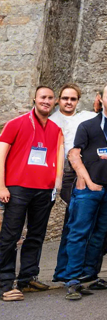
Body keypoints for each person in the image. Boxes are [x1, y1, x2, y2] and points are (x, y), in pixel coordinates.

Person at [57, 84, 107, 299]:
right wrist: (87, 181)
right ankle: (71, 279)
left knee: (100, 234)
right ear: (101, 99)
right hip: (89, 189)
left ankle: (90, 275)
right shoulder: (86, 125)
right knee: (79, 232)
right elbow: (74, 155)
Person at [0, 86, 64, 301]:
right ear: (35, 99)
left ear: (54, 102)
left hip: (44, 190)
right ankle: (4, 284)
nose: (46, 101)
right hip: (17, 188)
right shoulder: (15, 124)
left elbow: (57, 160)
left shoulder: (55, 129)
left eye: (50, 98)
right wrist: (1, 186)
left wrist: (56, 186)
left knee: (36, 236)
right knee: (10, 236)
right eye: (42, 97)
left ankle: (27, 278)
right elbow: (1, 157)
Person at [51, 84, 95, 204]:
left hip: (84, 170)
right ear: (58, 100)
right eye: (65, 98)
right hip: (61, 172)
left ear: (78, 101)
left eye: (73, 99)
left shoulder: (87, 118)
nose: (69, 102)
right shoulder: (51, 121)